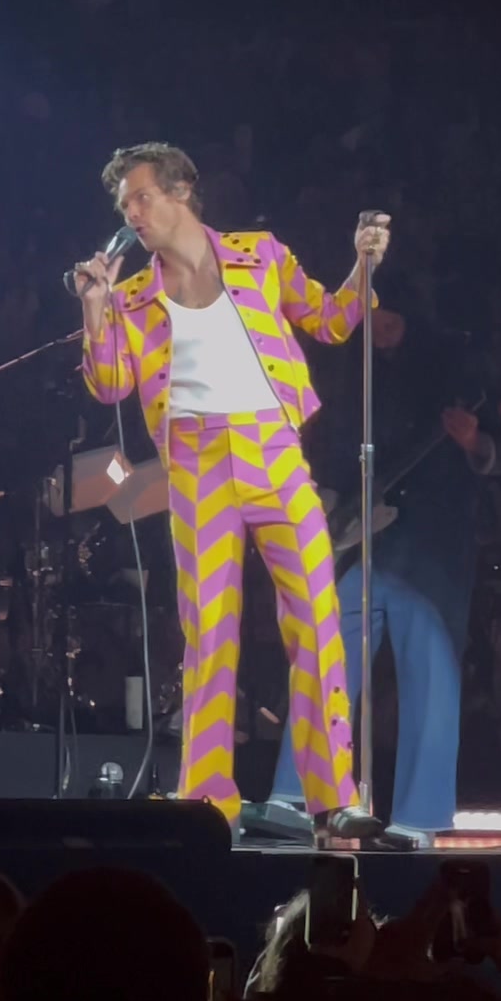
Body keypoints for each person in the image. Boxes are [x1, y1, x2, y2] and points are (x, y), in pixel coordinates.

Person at [74, 141, 389, 836]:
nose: (132, 214)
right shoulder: (131, 296)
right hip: (196, 461)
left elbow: (332, 320)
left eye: (141, 197)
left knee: (316, 618)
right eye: (124, 205)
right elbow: (111, 385)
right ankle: (206, 800)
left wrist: (363, 265)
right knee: (209, 631)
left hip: (273, 450)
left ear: (181, 191)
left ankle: (333, 798)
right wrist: (95, 310)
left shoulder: (259, 255)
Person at [268, 312, 501, 841]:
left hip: (433, 545)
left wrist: (475, 441)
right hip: (359, 537)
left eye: (392, 315)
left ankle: (419, 818)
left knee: (430, 672)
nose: (382, 325)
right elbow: (327, 444)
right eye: (374, 315)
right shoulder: (351, 368)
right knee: (325, 656)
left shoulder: (457, 362)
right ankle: (296, 796)